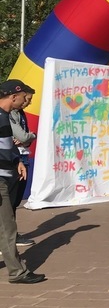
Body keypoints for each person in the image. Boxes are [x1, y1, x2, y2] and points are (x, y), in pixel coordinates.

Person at [0, 80, 45, 283]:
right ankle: (17, 273)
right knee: (7, 227)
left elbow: (7, 146)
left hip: (7, 175)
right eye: (24, 97)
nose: (25, 101)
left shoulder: (6, 117)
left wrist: (17, 160)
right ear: (13, 96)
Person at [9, 87, 36, 246]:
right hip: (14, 158)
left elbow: (26, 139)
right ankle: (7, 237)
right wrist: (31, 136)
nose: (28, 102)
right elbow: (22, 136)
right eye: (26, 98)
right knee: (10, 200)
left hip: (23, 156)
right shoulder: (10, 113)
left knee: (16, 199)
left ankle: (12, 234)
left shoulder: (21, 114)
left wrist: (29, 138)